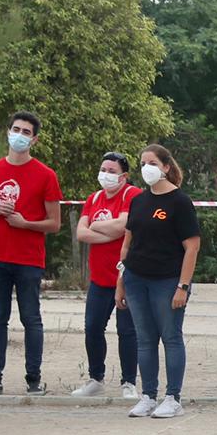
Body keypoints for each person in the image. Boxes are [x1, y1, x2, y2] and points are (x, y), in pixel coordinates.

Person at [0, 110, 62, 395]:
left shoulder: (46, 175)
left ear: (34, 139)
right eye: (16, 129)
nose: (19, 135)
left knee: (30, 318)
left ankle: (33, 379)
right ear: (7, 132)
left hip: (28, 258)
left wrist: (26, 223)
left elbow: (55, 223)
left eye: (26, 132)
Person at [116, 144, 199, 419]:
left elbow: (192, 246)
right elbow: (127, 243)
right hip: (136, 278)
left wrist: (182, 286)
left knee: (170, 337)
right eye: (142, 163)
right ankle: (148, 395)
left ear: (165, 166)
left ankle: (173, 397)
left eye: (152, 163)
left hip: (167, 280)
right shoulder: (138, 200)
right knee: (145, 339)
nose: (146, 168)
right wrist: (122, 280)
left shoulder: (180, 202)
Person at [71, 152, 141, 399]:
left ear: (124, 176)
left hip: (125, 276)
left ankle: (129, 382)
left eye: (112, 171)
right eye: (103, 169)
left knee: (127, 330)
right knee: (92, 327)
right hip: (99, 278)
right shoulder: (94, 198)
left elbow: (124, 225)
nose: (106, 174)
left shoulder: (131, 195)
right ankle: (95, 378)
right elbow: (81, 233)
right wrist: (110, 231)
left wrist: (98, 227)